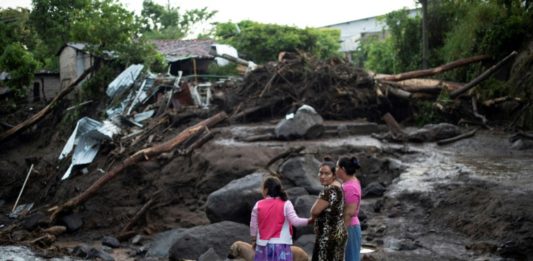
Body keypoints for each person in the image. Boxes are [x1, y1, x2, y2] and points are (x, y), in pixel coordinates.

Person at [250, 176, 312, 261]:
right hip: (281, 246)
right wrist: (310, 221)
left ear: (266, 190)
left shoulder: (258, 204)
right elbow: (295, 221)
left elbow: (253, 225)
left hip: (262, 246)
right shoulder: (286, 203)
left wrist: (253, 240)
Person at [310, 157, 347, 261]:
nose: (322, 176)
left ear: (334, 175)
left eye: (327, 174)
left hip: (328, 236)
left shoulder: (329, 190)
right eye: (320, 173)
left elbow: (314, 211)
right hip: (337, 233)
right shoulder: (339, 186)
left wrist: (313, 217)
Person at [336, 156, 362, 261]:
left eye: (337, 167)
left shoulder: (350, 187)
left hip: (349, 227)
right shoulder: (352, 181)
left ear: (342, 169)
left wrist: (342, 232)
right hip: (350, 226)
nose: (335, 169)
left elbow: (349, 212)